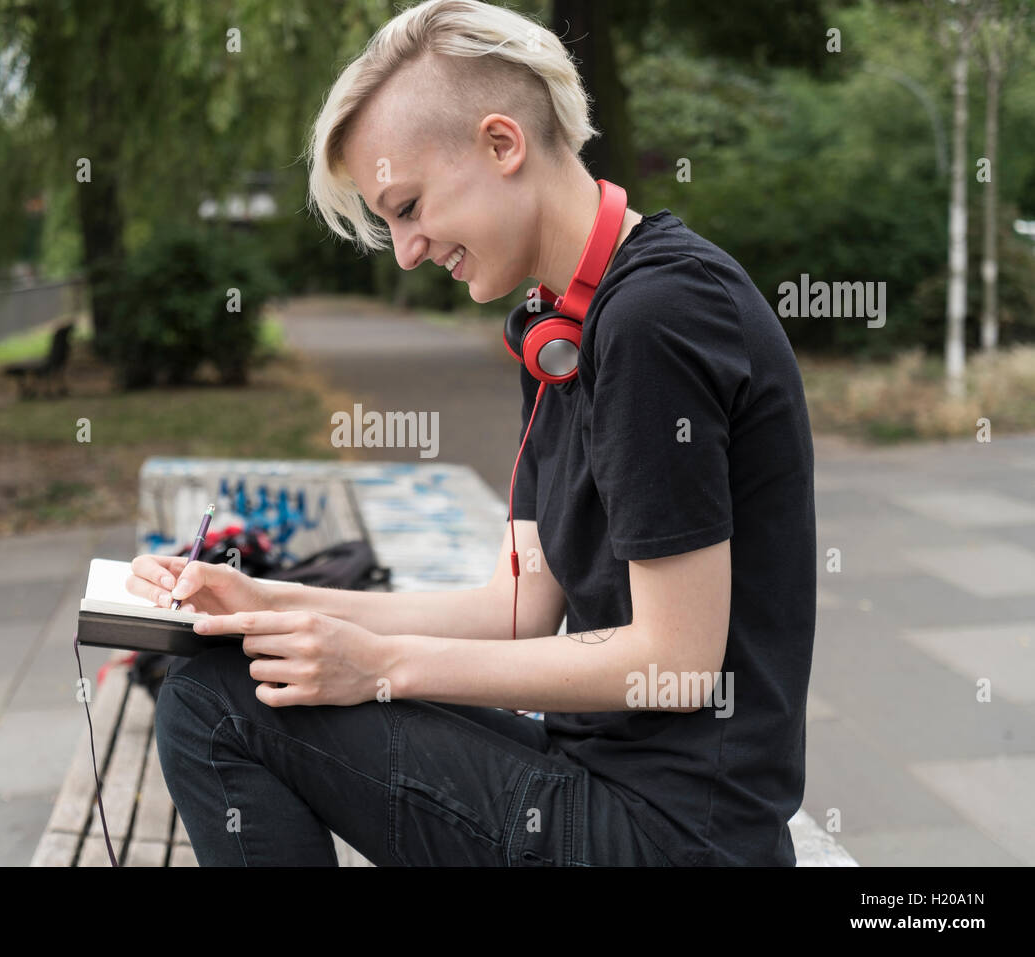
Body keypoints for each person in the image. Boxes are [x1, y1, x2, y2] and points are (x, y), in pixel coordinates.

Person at [127, 0, 816, 866]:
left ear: (502, 144)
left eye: (408, 206)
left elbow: (675, 655)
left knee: (213, 703)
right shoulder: (556, 327)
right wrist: (268, 600)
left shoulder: (655, 316)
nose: (407, 249)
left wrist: (381, 665)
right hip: (600, 782)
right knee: (222, 671)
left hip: (673, 838)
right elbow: (519, 609)